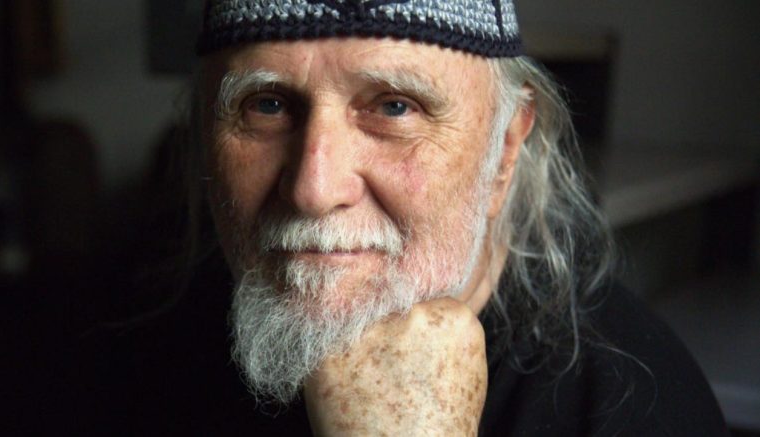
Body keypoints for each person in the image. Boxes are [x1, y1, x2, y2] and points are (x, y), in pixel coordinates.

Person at [91, 0, 728, 435]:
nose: (314, 188)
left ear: (506, 145)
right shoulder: (123, 344)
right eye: (267, 105)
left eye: (394, 107)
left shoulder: (632, 404)